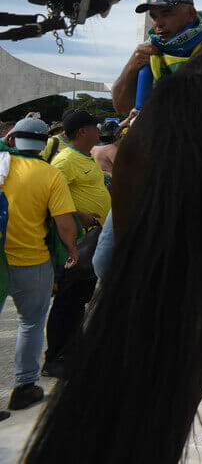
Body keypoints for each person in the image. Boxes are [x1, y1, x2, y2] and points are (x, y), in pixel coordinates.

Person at [1, 118, 79, 414]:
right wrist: (72, 249)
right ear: (44, 142)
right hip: (33, 261)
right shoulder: (49, 174)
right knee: (30, 323)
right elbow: (63, 222)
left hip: (0, 259)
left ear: (13, 138)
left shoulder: (0, 164)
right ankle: (24, 387)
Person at [44, 109, 112, 379]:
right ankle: (55, 357)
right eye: (94, 127)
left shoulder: (86, 156)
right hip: (75, 244)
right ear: (82, 131)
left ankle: (72, 350)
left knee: (80, 298)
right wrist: (77, 214)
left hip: (91, 240)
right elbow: (48, 196)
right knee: (68, 300)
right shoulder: (64, 161)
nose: (99, 131)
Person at [112, 0, 202, 114]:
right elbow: (121, 108)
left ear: (191, 14)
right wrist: (131, 67)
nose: (158, 23)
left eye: (166, 13)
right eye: (154, 16)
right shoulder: (146, 52)